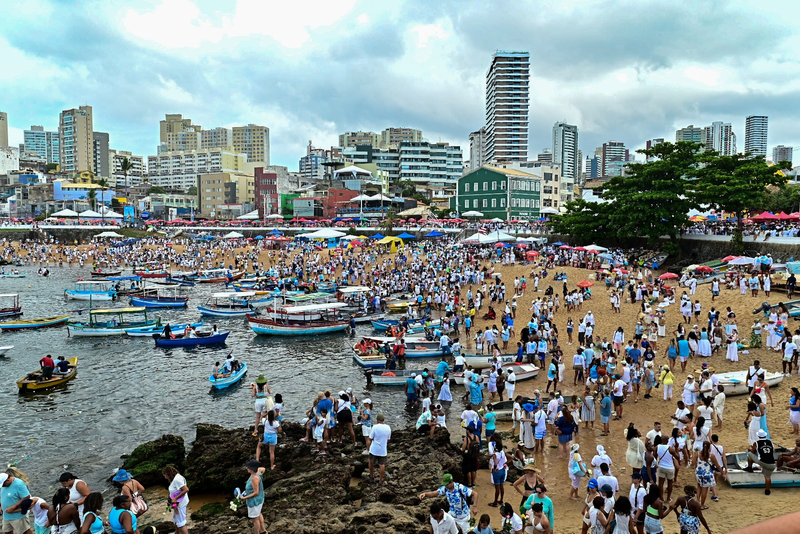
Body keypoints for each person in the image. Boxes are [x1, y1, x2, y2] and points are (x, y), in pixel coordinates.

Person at [744, 429, 777, 495]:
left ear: (758, 436)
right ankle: (767, 491)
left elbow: (752, 452)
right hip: (772, 464)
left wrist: (751, 449)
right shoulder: (770, 442)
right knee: (767, 477)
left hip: (763, 462)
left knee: (749, 454)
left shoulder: (756, 443)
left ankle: (749, 467)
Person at [163, 466, 189, 534]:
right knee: (176, 520)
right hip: (178, 503)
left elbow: (186, 489)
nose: (165, 477)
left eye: (165, 475)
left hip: (180, 503)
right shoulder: (177, 477)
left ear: (168, 474)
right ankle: (177, 532)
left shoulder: (177, 480)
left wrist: (175, 498)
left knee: (181, 523)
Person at [242, 460, 265, 534]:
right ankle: (263, 530)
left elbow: (256, 492)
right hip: (260, 499)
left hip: (254, 501)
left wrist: (244, 498)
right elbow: (263, 469)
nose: (247, 468)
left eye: (248, 467)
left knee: (255, 519)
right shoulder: (258, 472)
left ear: (252, 469)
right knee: (259, 513)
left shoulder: (255, 479)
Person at [655, 435, 680, 503]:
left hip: (661, 467)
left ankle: (661, 498)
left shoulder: (657, 447)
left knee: (661, 483)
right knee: (670, 483)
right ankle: (668, 498)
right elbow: (677, 457)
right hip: (670, 468)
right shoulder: (670, 449)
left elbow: (655, 457)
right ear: (667, 441)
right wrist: (676, 448)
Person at [369, 413, 391, 486]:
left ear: (377, 420)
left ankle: (371, 476)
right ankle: (380, 481)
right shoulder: (388, 427)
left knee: (371, 462)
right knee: (382, 465)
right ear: (383, 420)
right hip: (383, 450)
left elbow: (370, 438)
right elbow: (388, 439)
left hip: (374, 449)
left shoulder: (375, 427)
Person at [489, 443, 509, 507]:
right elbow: (512, 458)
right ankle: (501, 500)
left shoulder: (495, 455)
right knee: (501, 486)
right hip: (503, 470)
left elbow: (495, 463)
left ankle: (495, 502)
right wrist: (505, 464)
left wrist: (495, 468)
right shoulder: (503, 452)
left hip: (497, 471)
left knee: (497, 488)